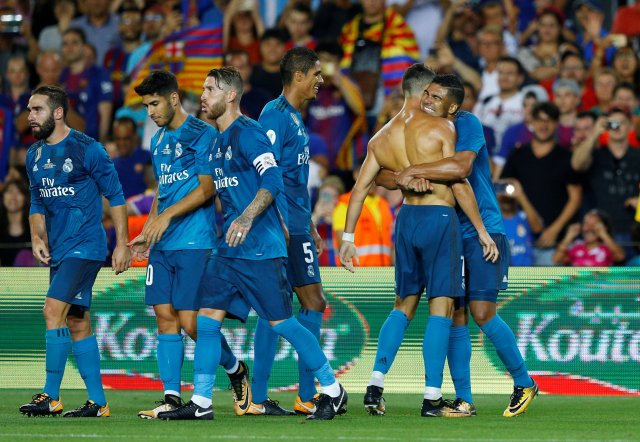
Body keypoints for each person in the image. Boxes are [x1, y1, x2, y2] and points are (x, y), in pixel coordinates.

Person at [157, 66, 347, 421]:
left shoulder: (251, 134)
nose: (203, 95)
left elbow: (273, 179)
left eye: (210, 89)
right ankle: (201, 403)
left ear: (230, 95)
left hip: (260, 248)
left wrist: (247, 217)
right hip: (228, 251)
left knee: (282, 324)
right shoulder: (215, 144)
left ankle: (332, 389)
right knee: (207, 321)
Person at [340, 65, 497, 418]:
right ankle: (431, 398)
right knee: (441, 308)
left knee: (402, 306)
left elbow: (360, 188)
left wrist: (347, 239)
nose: (431, 99)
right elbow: (459, 179)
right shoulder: (443, 127)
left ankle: (375, 385)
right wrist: (482, 231)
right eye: (431, 93)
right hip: (439, 220)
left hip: (406, 221)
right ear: (425, 91)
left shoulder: (380, 137)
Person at [390, 73, 538, 417]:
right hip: (448, 234)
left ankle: (524, 381)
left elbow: (462, 165)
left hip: (483, 229)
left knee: (482, 312)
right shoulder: (418, 128)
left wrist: (415, 169)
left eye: (436, 96)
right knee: (455, 315)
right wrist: (412, 173)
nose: (427, 100)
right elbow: (387, 171)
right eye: (426, 94)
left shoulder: (467, 123)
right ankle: (465, 399)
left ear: (453, 106)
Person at [128, 71, 250, 419]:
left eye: (154, 103)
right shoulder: (158, 141)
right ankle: (170, 396)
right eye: (146, 105)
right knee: (164, 317)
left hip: (196, 241)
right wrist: (149, 229)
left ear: (174, 98)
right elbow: (161, 192)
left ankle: (235, 368)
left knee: (190, 322)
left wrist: (166, 218)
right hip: (163, 244)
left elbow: (207, 189)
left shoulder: (202, 134)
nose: (150, 112)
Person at [19, 85, 131, 417]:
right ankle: (98, 401)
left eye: (37, 110)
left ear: (58, 112)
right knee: (77, 321)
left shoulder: (88, 149)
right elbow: (37, 202)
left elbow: (117, 196)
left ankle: (50, 395)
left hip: (86, 247)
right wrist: (37, 236)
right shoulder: (33, 156)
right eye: (28, 110)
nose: (30, 117)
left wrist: (123, 244)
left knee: (52, 310)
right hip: (60, 249)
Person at [247, 47, 330, 416]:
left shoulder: (294, 118)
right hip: (281, 228)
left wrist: (309, 223)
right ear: (298, 76)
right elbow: (264, 172)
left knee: (288, 307)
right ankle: (290, 394)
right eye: (316, 73)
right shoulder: (274, 115)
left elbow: (293, 180)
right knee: (296, 305)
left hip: (296, 225)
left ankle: (282, 395)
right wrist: (279, 223)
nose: (321, 80)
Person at [554, 209, 625, 266]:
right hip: (579, 283)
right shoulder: (576, 246)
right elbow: (556, 259)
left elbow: (620, 257)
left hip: (600, 283)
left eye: (594, 224)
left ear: (604, 228)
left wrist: (604, 234)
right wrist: (568, 237)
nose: (589, 228)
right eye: (586, 224)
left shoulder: (607, 248)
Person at [0, 177, 31, 266]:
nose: (13, 196)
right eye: (9, 191)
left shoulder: (35, 229)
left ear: (25, 198)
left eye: (19, 192)